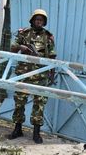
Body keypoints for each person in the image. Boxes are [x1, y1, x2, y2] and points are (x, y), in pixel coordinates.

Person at [9, 9, 56, 143]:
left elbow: (52, 56)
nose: (39, 22)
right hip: (23, 74)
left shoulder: (48, 37)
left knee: (39, 104)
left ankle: (36, 133)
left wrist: (51, 75)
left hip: (40, 76)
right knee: (19, 102)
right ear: (32, 20)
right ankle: (17, 129)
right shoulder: (24, 33)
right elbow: (12, 48)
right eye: (37, 19)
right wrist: (21, 47)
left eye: (41, 20)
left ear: (44, 22)